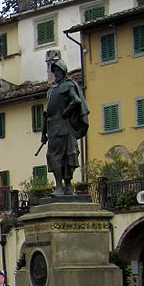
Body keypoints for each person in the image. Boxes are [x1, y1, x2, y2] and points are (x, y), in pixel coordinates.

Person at [41, 57, 89, 195]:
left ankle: (60, 187)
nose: (56, 73)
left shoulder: (67, 85)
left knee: (55, 156)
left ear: (64, 71)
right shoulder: (51, 89)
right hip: (52, 126)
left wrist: (65, 113)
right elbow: (47, 113)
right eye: (54, 70)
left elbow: (76, 101)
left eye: (58, 70)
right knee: (63, 156)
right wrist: (43, 133)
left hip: (61, 126)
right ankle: (65, 187)